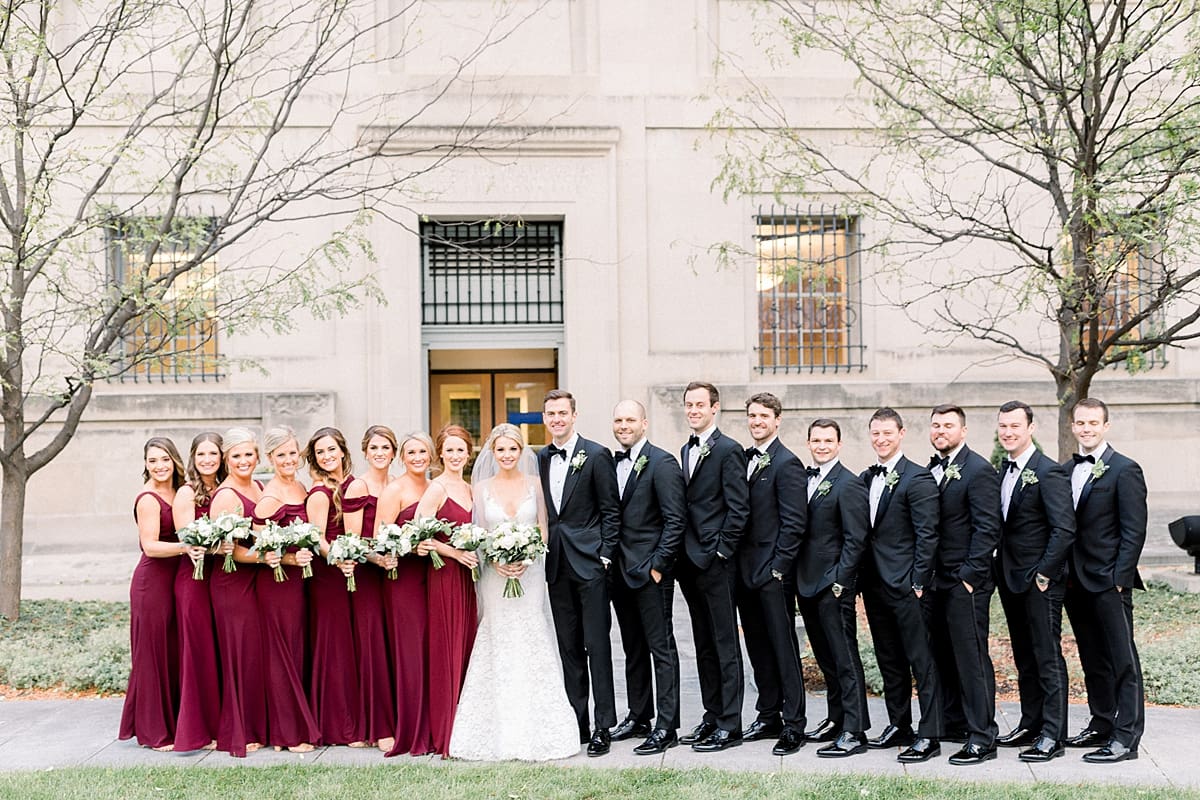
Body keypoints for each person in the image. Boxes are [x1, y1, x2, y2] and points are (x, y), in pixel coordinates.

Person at [448, 423, 580, 761]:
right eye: (501, 450)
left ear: (521, 452)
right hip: (494, 576)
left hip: (530, 574)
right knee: (498, 636)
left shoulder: (535, 484)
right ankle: (495, 727)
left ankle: (540, 726)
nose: (507, 455)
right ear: (492, 453)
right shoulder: (480, 488)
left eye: (513, 449)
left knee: (531, 634)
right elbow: (478, 533)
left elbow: (543, 527)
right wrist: (494, 559)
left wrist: (528, 556)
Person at [1062, 398, 1147, 764]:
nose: (1086, 429)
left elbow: (1134, 530)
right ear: (1073, 426)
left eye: (1093, 423)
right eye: (1080, 423)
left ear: (1105, 426)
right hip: (1074, 581)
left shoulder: (1125, 469)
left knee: (1122, 660)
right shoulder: (1065, 470)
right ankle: (1101, 724)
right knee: (1092, 658)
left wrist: (1119, 579)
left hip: (1109, 581)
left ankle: (1127, 738)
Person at [537, 389, 621, 756]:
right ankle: (578, 722)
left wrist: (605, 556)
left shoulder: (597, 455)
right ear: (545, 419)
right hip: (556, 565)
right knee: (568, 648)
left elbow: (611, 511)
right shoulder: (539, 459)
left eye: (562, 413)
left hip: (590, 565)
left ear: (574, 415)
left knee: (597, 646)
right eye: (551, 414)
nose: (557, 419)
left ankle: (604, 725)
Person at [858, 407, 943, 763]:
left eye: (887, 433)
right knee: (889, 658)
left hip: (908, 586)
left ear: (901, 434)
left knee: (921, 660)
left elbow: (928, 535)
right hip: (875, 584)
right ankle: (899, 724)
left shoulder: (918, 478)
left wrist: (919, 582)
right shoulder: (865, 477)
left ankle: (930, 734)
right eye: (876, 433)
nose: (881, 439)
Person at [993, 400, 1076, 763]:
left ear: (1031, 428)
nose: (1008, 432)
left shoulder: (1048, 471)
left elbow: (1064, 529)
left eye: (1015, 426)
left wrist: (1044, 573)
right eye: (1003, 426)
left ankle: (1053, 734)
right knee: (1024, 656)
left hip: (1040, 580)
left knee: (1046, 655)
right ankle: (1031, 723)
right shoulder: (1002, 470)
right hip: (1009, 577)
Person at [608, 399, 687, 755]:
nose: (624, 426)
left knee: (661, 647)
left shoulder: (662, 463)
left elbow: (675, 520)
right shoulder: (612, 463)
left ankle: (667, 726)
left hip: (650, 572)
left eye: (630, 420)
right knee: (633, 648)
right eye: (618, 420)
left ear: (644, 423)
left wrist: (658, 565)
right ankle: (639, 715)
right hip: (620, 572)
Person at [676, 381, 750, 752]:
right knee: (703, 643)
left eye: (700, 405)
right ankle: (712, 714)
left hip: (716, 563)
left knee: (724, 642)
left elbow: (739, 508)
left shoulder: (728, 450)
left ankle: (730, 724)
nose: (694, 410)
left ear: (715, 407)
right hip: (689, 563)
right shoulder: (685, 449)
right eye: (689, 405)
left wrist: (721, 552)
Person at [926, 405, 1002, 766]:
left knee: (972, 658)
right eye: (936, 425)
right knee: (944, 654)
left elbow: (988, 528)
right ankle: (954, 723)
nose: (941, 431)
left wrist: (970, 576)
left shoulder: (979, 470)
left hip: (965, 581)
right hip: (937, 581)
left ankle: (983, 736)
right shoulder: (931, 469)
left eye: (948, 425)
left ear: (964, 431)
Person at [795, 419, 871, 758]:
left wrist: (841, 580)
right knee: (826, 658)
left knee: (844, 658)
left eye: (828, 440)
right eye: (816, 440)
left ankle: (855, 730)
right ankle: (836, 718)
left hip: (833, 585)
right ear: (809, 443)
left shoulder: (849, 484)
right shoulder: (805, 480)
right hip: (807, 583)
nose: (822, 446)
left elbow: (856, 539)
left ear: (839, 444)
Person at [736, 393, 807, 756]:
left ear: (777, 420)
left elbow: (794, 524)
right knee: (757, 646)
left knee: (783, 647)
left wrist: (778, 568)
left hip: (773, 573)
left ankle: (794, 723)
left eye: (764, 415)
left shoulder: (787, 463)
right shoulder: (743, 459)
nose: (757, 421)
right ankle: (768, 715)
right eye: (752, 415)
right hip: (745, 571)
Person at [252, 426, 319, 753]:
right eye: (281, 455)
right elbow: (258, 548)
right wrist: (290, 559)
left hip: (300, 583)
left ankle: (289, 726)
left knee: (296, 650)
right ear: (270, 457)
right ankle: (286, 734)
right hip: (277, 584)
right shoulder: (269, 497)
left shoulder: (301, 487)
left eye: (293, 453)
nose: (289, 459)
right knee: (281, 655)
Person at [118, 437, 187, 751]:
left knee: (172, 653)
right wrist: (188, 546)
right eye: (153, 460)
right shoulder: (148, 499)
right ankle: (153, 733)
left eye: (164, 459)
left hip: (177, 580)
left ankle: (176, 724)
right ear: (145, 465)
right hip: (153, 583)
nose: (159, 466)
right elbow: (150, 546)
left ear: (174, 461)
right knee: (153, 655)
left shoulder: (181, 491)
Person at [418, 424, 480, 757]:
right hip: (445, 576)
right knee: (447, 649)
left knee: (466, 646)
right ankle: (444, 733)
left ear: (469, 454)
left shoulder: (470, 489)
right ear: (440, 453)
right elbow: (420, 533)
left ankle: (466, 729)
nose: (455, 455)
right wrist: (455, 553)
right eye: (450, 450)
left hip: (469, 578)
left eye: (461, 450)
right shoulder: (436, 488)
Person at [207, 427, 268, 757]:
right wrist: (268, 557)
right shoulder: (226, 496)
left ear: (257, 456)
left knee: (252, 654)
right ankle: (237, 731)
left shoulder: (259, 487)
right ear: (226, 459)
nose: (244, 461)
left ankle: (256, 724)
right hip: (232, 583)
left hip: (255, 581)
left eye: (248, 454)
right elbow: (226, 551)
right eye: (236, 456)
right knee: (238, 654)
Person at [305, 426, 364, 747]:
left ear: (342, 450)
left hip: (351, 571)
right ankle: (338, 726)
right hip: (328, 575)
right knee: (335, 647)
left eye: (331, 449)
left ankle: (354, 719)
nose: (327, 456)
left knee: (349, 646)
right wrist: (339, 559)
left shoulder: (352, 484)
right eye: (320, 452)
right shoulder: (319, 492)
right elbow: (317, 539)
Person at [378, 432, 436, 757]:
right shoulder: (394, 490)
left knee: (431, 650)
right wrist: (412, 547)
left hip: (434, 577)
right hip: (405, 580)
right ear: (402, 457)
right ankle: (414, 729)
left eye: (422, 451)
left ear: (431, 455)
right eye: (411, 452)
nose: (417, 457)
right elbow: (381, 538)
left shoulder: (435, 487)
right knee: (411, 652)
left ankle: (435, 722)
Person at [343, 425, 399, 751]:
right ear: (365, 452)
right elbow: (352, 541)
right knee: (373, 646)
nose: (380, 453)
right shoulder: (358, 487)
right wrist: (378, 559)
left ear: (394, 453)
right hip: (367, 576)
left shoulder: (397, 484)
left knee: (392, 646)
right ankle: (377, 727)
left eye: (385, 447)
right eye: (374, 448)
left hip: (396, 575)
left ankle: (397, 718)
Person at [170, 432, 224, 752]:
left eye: (213, 454)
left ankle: (222, 723)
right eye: (201, 454)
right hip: (194, 578)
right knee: (199, 651)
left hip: (222, 580)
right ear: (193, 458)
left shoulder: (227, 489)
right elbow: (188, 541)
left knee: (218, 651)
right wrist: (217, 546)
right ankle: (198, 730)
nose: (207, 460)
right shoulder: (187, 492)